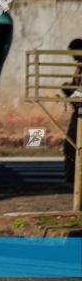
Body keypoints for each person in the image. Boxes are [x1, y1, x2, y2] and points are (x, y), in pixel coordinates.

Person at [62, 38, 82, 182]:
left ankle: (72, 177)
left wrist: (68, 89)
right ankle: (72, 177)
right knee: (71, 145)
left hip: (80, 110)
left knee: (71, 145)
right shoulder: (79, 66)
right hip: (77, 109)